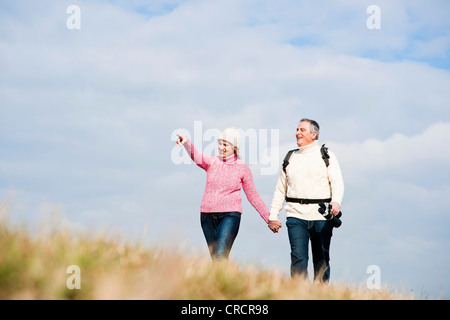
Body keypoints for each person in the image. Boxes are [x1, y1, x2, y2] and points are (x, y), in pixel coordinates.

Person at [176, 127, 274, 261]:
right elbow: (197, 156)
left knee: (220, 255)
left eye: (225, 144)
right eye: (220, 144)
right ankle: (222, 281)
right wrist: (186, 141)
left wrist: (269, 218)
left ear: (234, 147)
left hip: (230, 215)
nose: (221, 147)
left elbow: (253, 195)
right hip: (207, 216)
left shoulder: (242, 168)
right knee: (216, 258)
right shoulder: (211, 162)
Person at [268, 119, 344, 282]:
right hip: (295, 216)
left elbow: (337, 181)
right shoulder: (290, 157)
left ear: (313, 134)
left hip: (321, 216)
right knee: (298, 259)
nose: (298, 133)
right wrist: (273, 215)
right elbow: (281, 189)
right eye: (297, 129)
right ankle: (299, 294)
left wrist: (336, 201)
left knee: (321, 259)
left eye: (302, 130)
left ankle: (320, 295)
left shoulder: (327, 155)